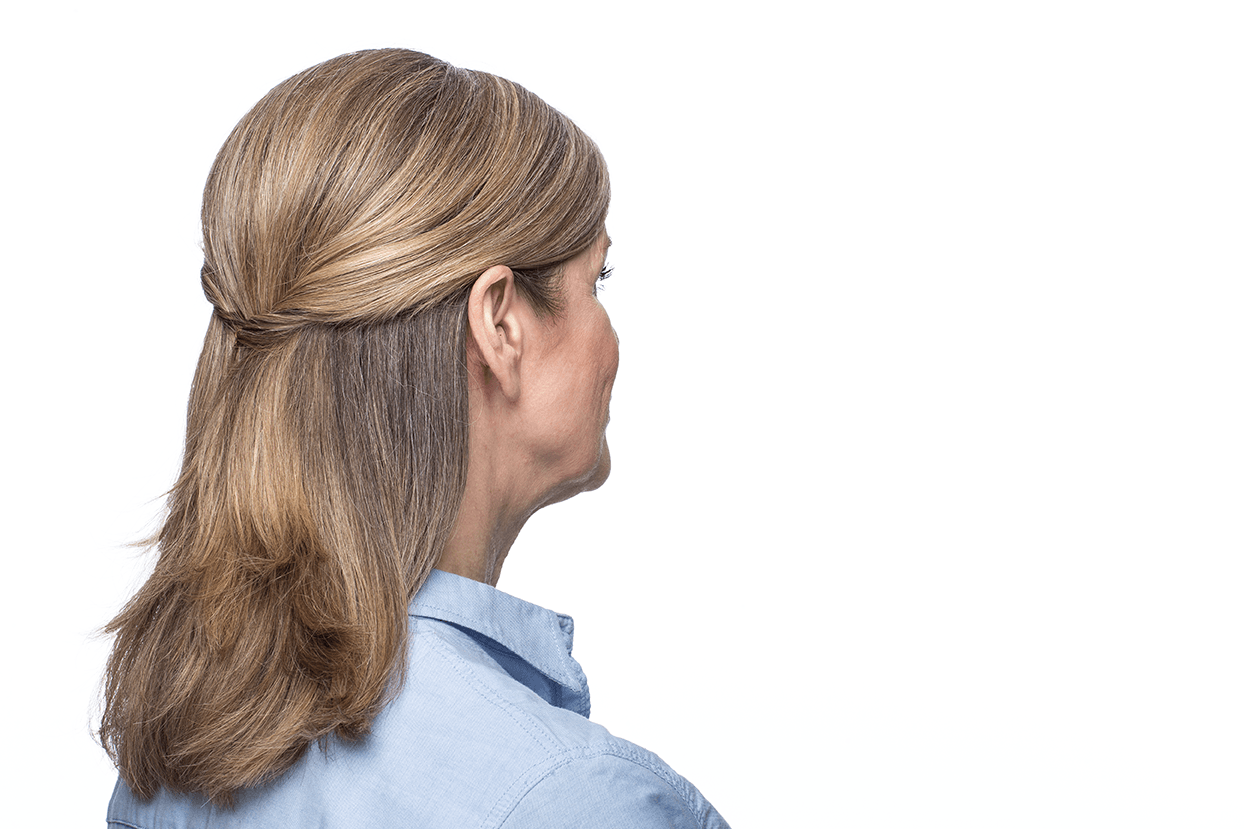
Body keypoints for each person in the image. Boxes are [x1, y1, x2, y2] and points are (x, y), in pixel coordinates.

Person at [99, 49, 730, 828]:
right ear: (500, 322)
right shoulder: (569, 797)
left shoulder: (171, 770)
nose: (610, 333)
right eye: (596, 281)